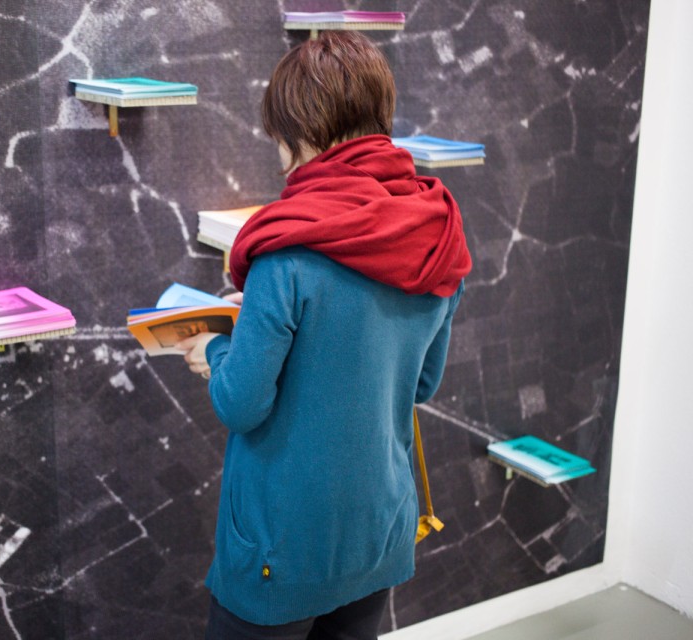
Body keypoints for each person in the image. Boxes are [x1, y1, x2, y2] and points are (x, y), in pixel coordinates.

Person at [177, 30, 472, 640]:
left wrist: (214, 347)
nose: (280, 158)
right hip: (379, 533)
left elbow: (240, 403)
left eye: (280, 138)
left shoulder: (285, 251)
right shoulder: (438, 236)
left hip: (280, 548)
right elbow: (420, 383)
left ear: (302, 131)